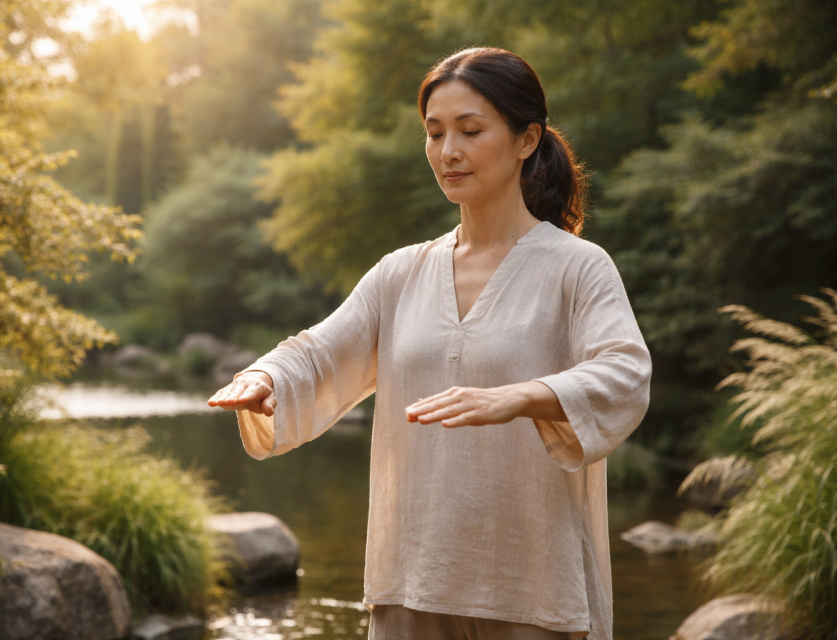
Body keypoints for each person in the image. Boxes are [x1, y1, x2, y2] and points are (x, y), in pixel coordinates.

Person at [208, 46, 651, 640]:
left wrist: (524, 395)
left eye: (470, 130)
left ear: (527, 139)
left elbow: (625, 372)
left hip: (532, 589)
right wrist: (265, 377)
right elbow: (318, 350)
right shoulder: (400, 273)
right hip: (412, 584)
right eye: (434, 133)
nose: (449, 152)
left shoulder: (577, 267)